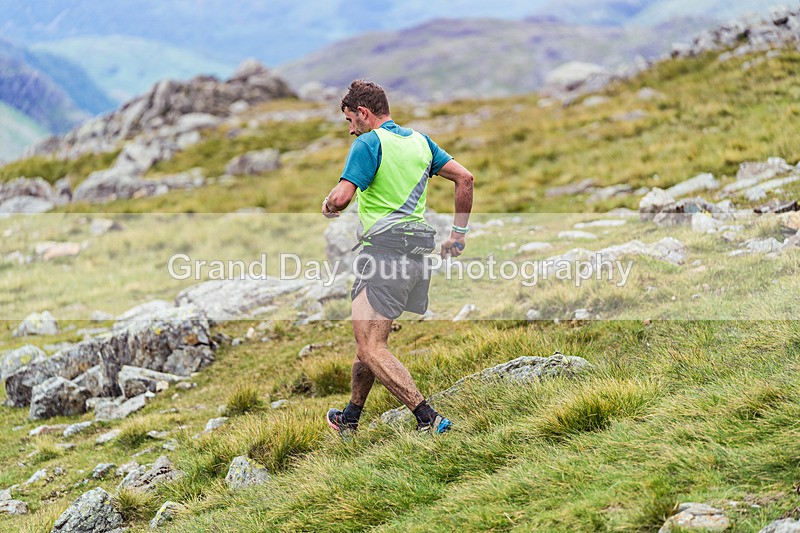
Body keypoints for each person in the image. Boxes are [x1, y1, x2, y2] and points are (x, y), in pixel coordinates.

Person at [321, 79, 474, 435]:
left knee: (371, 346)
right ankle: (350, 419)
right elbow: (464, 178)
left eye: (349, 120)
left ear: (363, 112)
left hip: (384, 255)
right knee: (367, 345)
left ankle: (428, 418)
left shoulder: (368, 143)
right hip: (416, 258)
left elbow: (342, 199)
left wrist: (328, 205)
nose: (349, 129)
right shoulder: (421, 141)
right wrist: (458, 234)